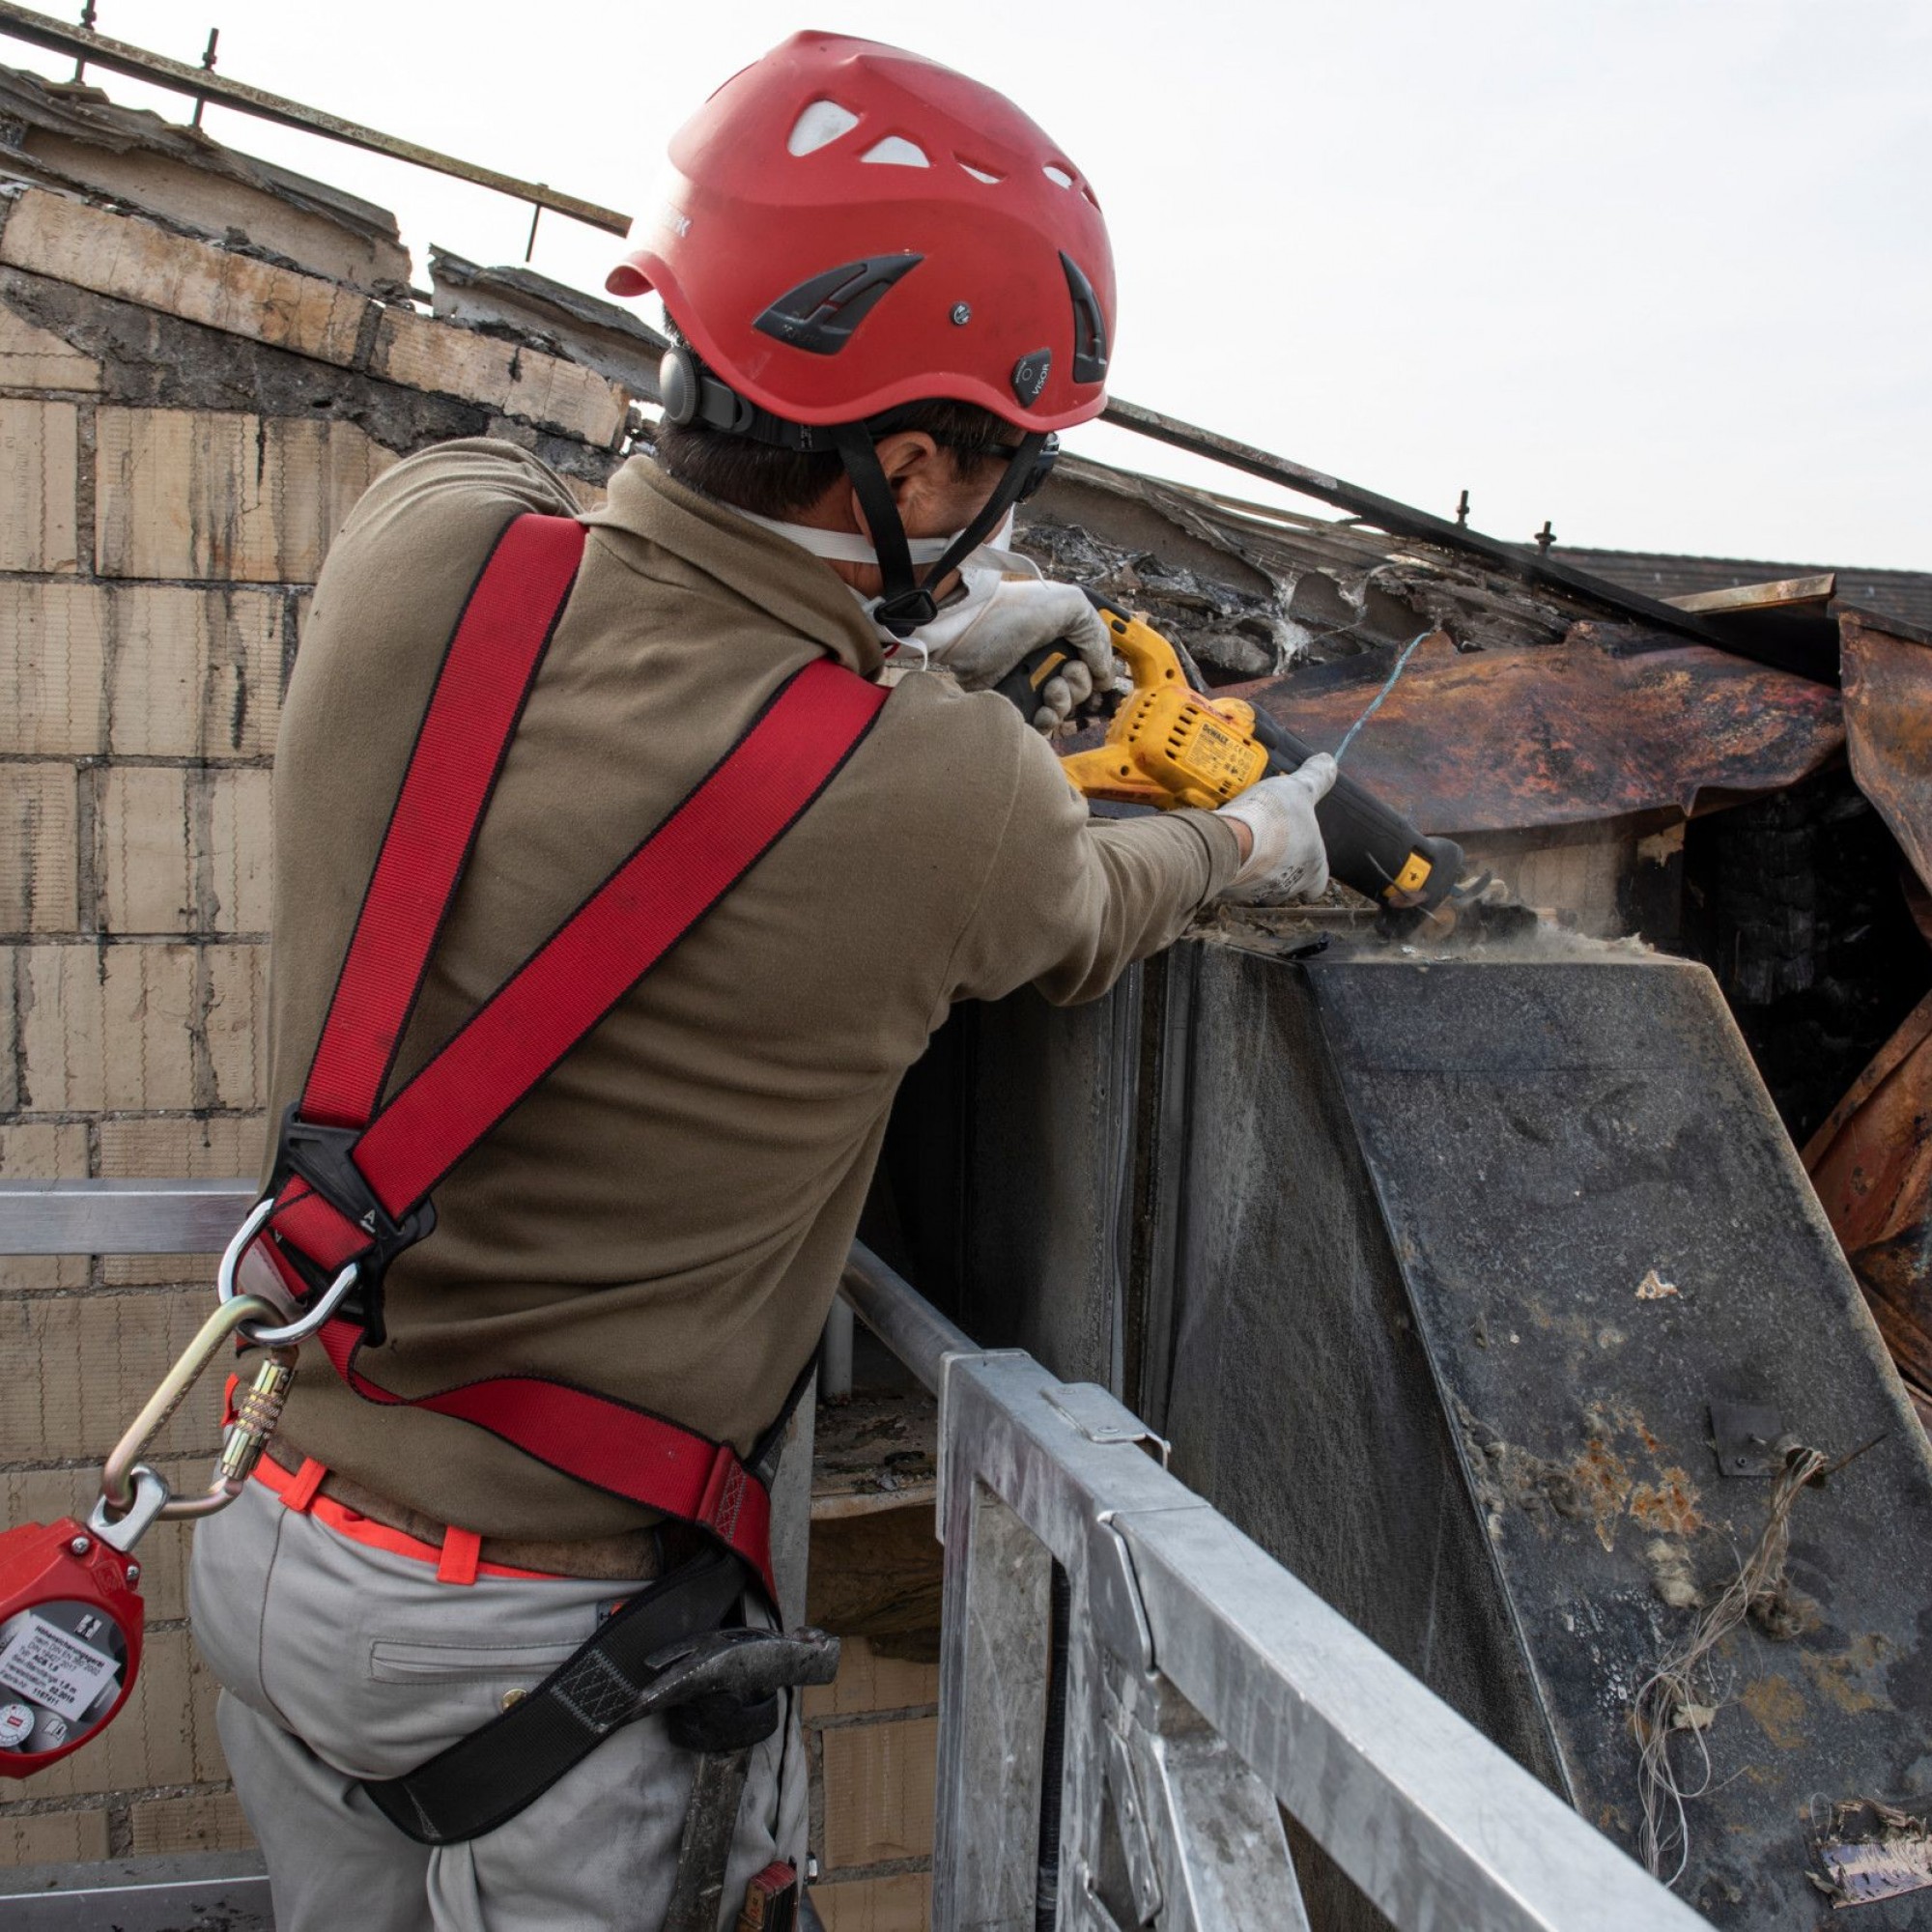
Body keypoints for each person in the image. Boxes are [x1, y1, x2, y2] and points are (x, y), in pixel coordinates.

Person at [188, 30, 1334, 1932]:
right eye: (1001, 459)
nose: (1004, 501)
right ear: (905, 458)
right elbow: (1077, 901)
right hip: (538, 1642)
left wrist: (882, 637)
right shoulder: (942, 790)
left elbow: (617, 596)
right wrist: (1252, 839)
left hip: (266, 1527)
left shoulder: (422, 541)